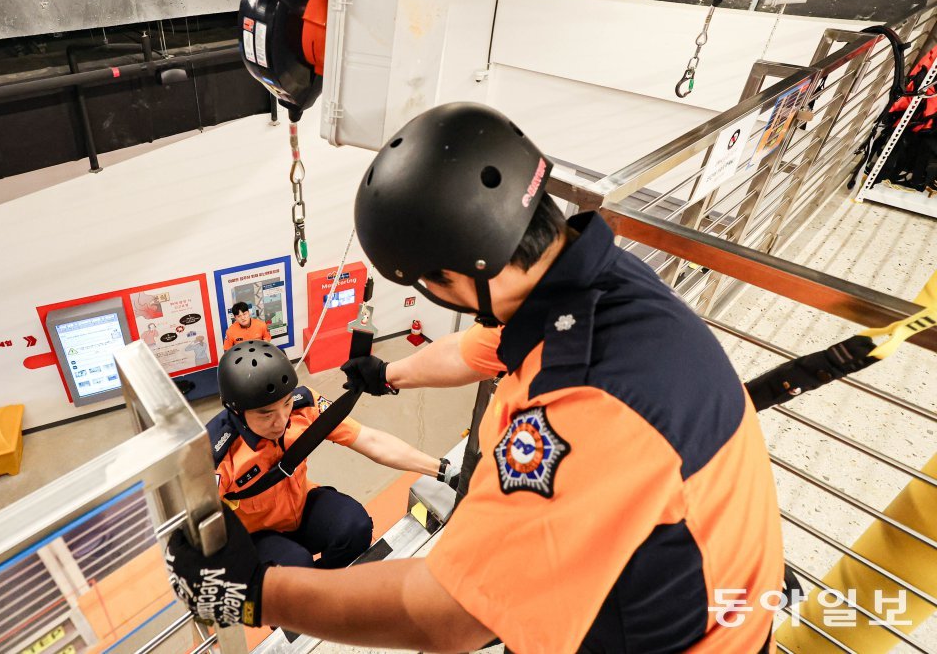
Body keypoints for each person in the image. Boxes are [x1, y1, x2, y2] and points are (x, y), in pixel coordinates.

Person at [165, 102, 784, 652]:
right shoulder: (595, 286)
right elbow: (476, 349)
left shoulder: (579, 403)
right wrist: (389, 375)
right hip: (700, 578)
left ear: (451, 281)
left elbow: (450, 616)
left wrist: (258, 596)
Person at [207, 340, 457, 569]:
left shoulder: (304, 407)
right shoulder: (217, 456)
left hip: (301, 507)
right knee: (295, 568)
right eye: (265, 414)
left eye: (285, 403)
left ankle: (326, 590)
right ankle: (295, 602)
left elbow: (371, 441)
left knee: (356, 527)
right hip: (256, 535)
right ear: (237, 411)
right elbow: (198, 535)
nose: (281, 420)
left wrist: (444, 470)